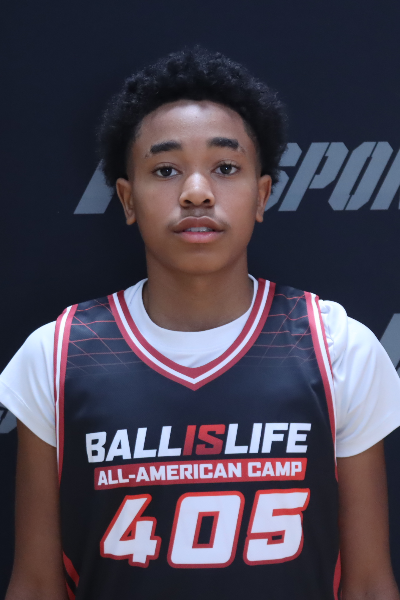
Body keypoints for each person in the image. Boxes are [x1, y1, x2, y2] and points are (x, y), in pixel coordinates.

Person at [2, 47, 400, 600]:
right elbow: (37, 584)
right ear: (127, 200)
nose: (196, 191)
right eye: (165, 170)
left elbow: (369, 583)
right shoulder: (59, 354)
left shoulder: (336, 346)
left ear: (261, 195)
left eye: (226, 168)